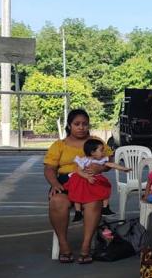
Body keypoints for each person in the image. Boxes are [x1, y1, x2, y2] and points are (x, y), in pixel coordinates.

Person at [45, 109, 113, 264]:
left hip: (90, 182)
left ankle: (86, 246)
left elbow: (109, 161)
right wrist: (54, 184)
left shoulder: (96, 142)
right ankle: (63, 245)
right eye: (77, 124)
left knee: (94, 203)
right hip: (66, 182)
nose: (81, 127)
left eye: (84, 124)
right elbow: (49, 168)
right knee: (57, 201)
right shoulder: (59, 145)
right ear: (69, 125)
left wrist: (101, 168)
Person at [64, 138, 130, 220]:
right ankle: (78, 211)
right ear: (93, 153)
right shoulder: (84, 160)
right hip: (82, 179)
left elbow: (111, 164)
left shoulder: (101, 160)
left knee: (105, 188)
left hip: (94, 178)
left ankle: (105, 208)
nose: (103, 153)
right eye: (101, 150)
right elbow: (78, 170)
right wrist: (87, 177)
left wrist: (123, 168)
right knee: (77, 194)